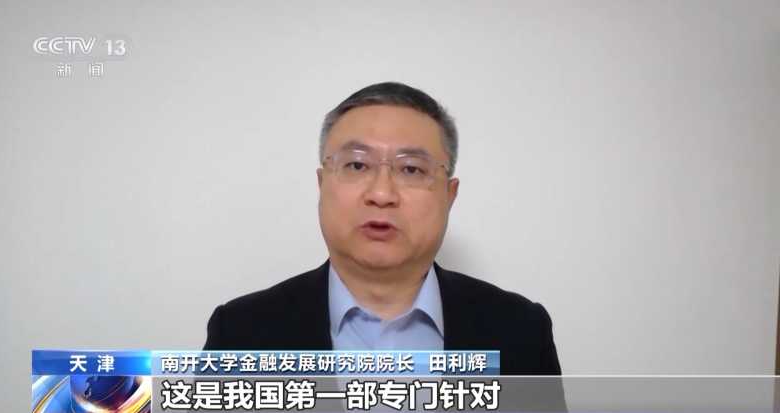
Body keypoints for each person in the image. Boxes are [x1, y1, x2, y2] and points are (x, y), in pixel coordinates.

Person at [203, 81, 562, 376]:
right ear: (322, 184)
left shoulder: (520, 330)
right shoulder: (239, 332)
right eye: (357, 166)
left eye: (411, 169)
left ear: (449, 195)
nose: (381, 194)